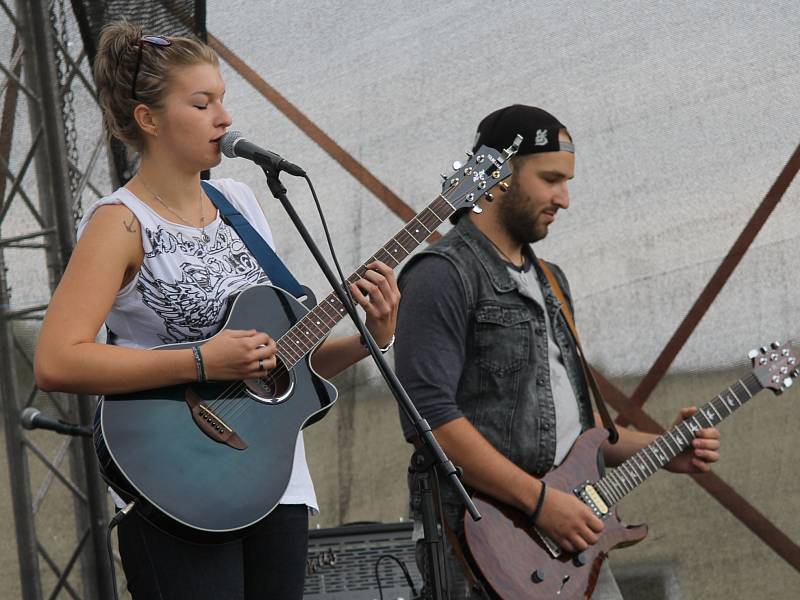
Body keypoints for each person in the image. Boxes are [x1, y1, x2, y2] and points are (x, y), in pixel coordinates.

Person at [33, 21, 399, 600]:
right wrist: (203, 360)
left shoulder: (242, 203)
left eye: (223, 100)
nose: (224, 118)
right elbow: (58, 360)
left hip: (276, 481)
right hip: (176, 483)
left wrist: (370, 337)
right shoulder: (120, 221)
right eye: (202, 103)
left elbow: (280, 368)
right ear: (149, 119)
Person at [394, 105, 721, 599]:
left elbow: (579, 436)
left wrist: (664, 447)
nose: (564, 199)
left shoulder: (552, 280)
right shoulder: (441, 274)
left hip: (569, 548)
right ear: (497, 175)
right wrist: (541, 502)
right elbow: (431, 422)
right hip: (483, 546)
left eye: (567, 182)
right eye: (550, 179)